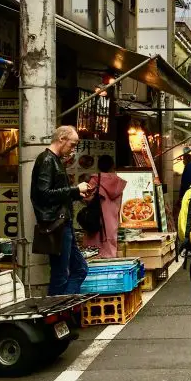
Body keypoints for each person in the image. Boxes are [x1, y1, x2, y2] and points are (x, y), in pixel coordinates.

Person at [31, 126, 91, 296]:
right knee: (61, 274)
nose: (73, 149)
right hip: (56, 225)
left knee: (79, 269)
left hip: (63, 222)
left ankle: (62, 311)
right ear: (62, 139)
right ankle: (56, 315)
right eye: (72, 144)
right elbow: (43, 194)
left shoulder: (54, 160)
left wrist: (77, 193)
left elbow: (54, 194)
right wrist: (74, 190)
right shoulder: (47, 160)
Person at [82, 155, 126, 259]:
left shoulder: (95, 180)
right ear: (112, 166)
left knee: (94, 253)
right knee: (110, 249)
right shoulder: (118, 182)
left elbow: (87, 199)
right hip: (112, 221)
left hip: (96, 220)